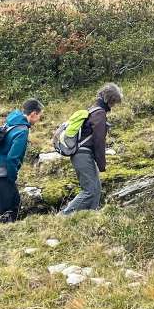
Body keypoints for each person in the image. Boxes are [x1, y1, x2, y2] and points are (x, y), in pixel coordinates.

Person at [61, 84, 122, 216]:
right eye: (114, 102)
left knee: (96, 188)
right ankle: (63, 216)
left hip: (80, 154)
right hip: (83, 154)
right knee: (89, 190)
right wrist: (101, 164)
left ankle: (90, 217)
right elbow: (99, 141)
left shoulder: (92, 110)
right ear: (110, 100)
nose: (113, 106)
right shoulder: (99, 113)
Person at [0, 99, 42, 223]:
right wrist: (12, 177)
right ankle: (3, 231)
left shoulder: (12, 121)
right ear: (33, 114)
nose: (39, 118)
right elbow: (13, 158)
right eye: (39, 115)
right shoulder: (22, 130)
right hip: (2, 170)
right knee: (11, 203)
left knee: (2, 200)